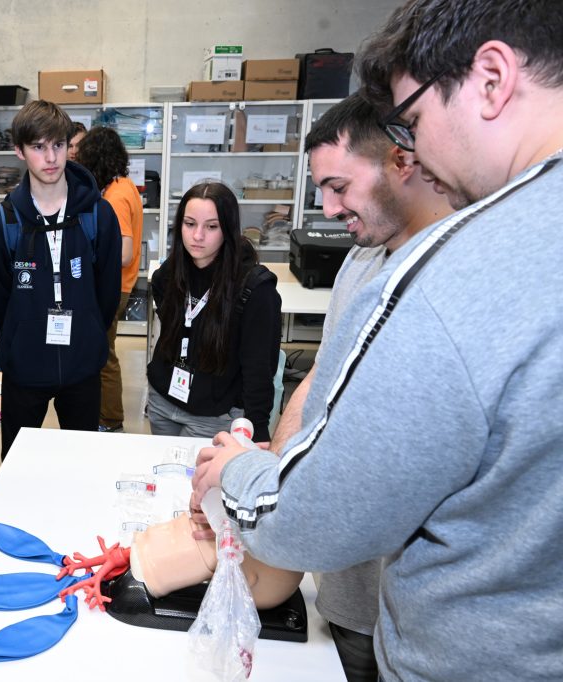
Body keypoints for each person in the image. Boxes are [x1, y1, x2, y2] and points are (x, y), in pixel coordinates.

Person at [192, 1, 563, 679]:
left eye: (413, 121)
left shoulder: (460, 271)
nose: (414, 149)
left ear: (491, 78)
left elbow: (316, 518)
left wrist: (240, 475)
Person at [264, 92, 452, 682]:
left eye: (339, 186)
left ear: (401, 161)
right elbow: (322, 375)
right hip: (345, 588)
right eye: (321, 188)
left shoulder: (446, 280)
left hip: (410, 615)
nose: (326, 206)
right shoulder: (361, 262)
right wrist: (273, 471)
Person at [0, 100, 121, 459]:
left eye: (58, 145)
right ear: (19, 150)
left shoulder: (98, 214)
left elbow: (107, 294)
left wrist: (89, 333)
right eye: (38, 147)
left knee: (81, 464)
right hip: (24, 368)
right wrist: (18, 337)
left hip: (82, 367)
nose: (51, 158)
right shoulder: (4, 221)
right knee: (18, 467)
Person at [146, 182, 281, 440]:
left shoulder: (255, 289)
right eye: (189, 224)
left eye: (211, 226)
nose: (197, 236)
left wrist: (258, 428)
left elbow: (259, 368)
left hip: (215, 415)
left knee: (198, 480)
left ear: (228, 230)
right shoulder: (168, 275)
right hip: (163, 401)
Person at [75, 126, 144, 433]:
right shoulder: (125, 185)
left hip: (116, 286)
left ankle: (110, 420)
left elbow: (125, 252)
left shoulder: (115, 196)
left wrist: (92, 257)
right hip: (122, 285)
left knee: (104, 355)